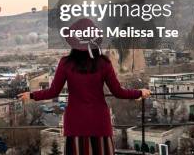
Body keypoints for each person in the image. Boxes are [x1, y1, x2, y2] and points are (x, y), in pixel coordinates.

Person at [18, 18, 151, 155]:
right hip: (99, 122)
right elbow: (118, 92)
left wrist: (32, 95)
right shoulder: (103, 63)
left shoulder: (65, 63)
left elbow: (53, 91)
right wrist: (139, 93)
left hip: (75, 123)